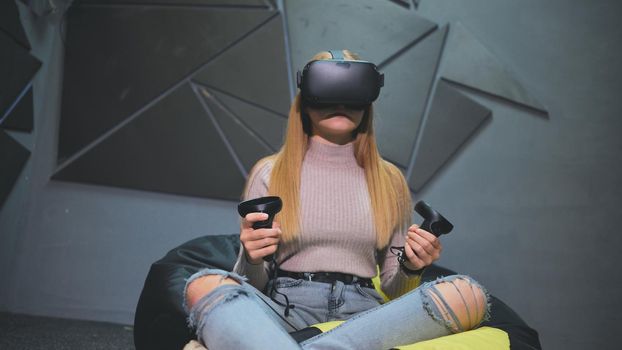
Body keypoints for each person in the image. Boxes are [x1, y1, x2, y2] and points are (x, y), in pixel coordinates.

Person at [183, 50, 490, 349]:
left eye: (352, 94)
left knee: (468, 293)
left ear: (367, 100)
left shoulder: (390, 180)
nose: (341, 103)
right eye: (329, 93)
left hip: (365, 318)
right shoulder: (270, 172)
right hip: (284, 310)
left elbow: (397, 289)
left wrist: (411, 266)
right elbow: (253, 283)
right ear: (306, 101)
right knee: (204, 283)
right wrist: (251, 258)